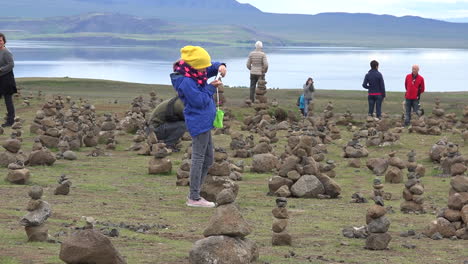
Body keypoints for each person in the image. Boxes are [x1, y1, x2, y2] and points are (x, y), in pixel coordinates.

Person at [171, 46, 226, 208]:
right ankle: (194, 197)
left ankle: (195, 194)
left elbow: (209, 67)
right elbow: (199, 101)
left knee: (207, 159)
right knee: (199, 158)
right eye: (202, 66)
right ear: (194, 65)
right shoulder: (186, 81)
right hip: (198, 122)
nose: (205, 70)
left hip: (204, 122)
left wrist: (220, 66)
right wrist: (211, 87)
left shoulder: (194, 72)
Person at [0, 33, 17, 127]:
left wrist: (1, 69)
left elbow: (11, 64)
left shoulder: (6, 52)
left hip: (7, 79)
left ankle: (10, 121)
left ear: (4, 41)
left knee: (8, 100)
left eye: (0, 40)